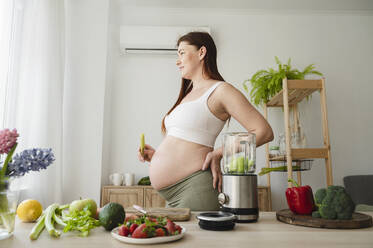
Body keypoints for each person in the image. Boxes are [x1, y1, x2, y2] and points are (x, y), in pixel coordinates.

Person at [137, 31, 273, 211]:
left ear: (201, 52)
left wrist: (219, 153)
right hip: (173, 194)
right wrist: (156, 157)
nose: (178, 61)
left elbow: (264, 131)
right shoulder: (187, 95)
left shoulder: (221, 90)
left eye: (182, 53)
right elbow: (186, 141)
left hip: (195, 188)